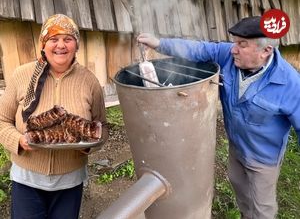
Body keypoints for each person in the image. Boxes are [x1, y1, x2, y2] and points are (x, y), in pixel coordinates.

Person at [137, 16, 300, 219]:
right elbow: (198, 49)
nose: (233, 49)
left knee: (262, 207)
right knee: (242, 193)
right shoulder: (227, 56)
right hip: (236, 148)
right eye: (234, 42)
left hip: (263, 159)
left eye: (242, 44)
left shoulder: (290, 83)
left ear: (265, 51)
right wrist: (159, 44)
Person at [0, 14, 108, 219]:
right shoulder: (21, 75)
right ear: (43, 44)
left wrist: (88, 143)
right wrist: (18, 140)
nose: (61, 45)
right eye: (53, 39)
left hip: (70, 181)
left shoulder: (89, 81)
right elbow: (2, 120)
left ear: (76, 45)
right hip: (27, 180)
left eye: (68, 39)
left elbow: (102, 125)